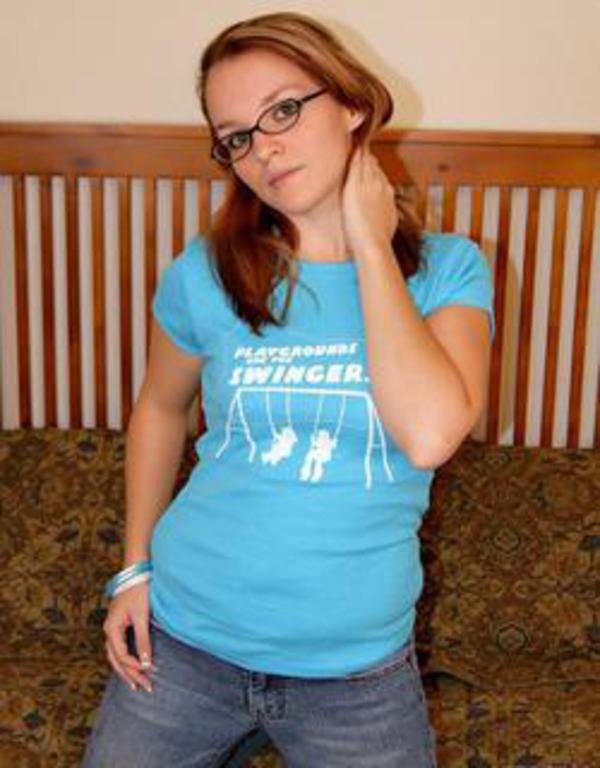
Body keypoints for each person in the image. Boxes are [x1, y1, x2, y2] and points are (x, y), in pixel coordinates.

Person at [81, 11, 495, 768]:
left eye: (283, 110)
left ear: (352, 104)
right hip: (185, 646)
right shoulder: (206, 272)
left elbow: (432, 434)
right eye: (236, 136)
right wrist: (133, 567)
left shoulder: (447, 270)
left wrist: (369, 243)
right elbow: (160, 408)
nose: (262, 149)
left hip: (355, 679)